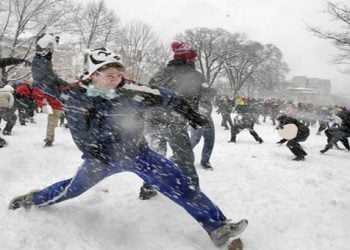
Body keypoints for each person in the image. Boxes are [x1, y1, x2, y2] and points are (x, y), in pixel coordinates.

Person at [8, 34, 248, 247]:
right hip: (99, 161)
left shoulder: (132, 92)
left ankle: (218, 228)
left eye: (119, 74)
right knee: (70, 190)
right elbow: (44, 79)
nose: (117, 79)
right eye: (110, 75)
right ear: (93, 75)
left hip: (138, 155)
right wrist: (42, 53)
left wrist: (190, 113)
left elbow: (166, 96)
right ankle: (34, 198)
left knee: (182, 186)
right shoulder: (73, 94)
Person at [141, 41, 206, 200]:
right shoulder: (195, 76)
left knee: (157, 155)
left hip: (152, 120)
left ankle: (147, 188)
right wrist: (193, 116)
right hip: (174, 123)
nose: (195, 60)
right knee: (185, 159)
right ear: (189, 58)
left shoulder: (161, 72)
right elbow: (193, 100)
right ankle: (193, 193)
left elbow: (149, 94)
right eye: (194, 58)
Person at [190, 84, 217, 169]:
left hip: (208, 117)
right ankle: (179, 157)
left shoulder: (207, 91)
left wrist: (206, 88)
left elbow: (214, 92)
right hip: (197, 117)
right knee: (194, 140)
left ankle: (205, 161)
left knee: (210, 140)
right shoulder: (193, 92)